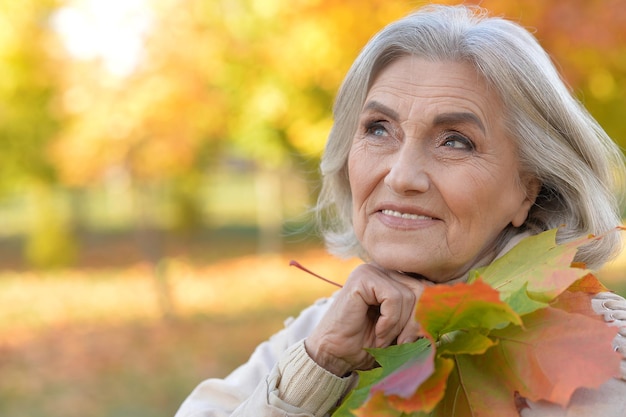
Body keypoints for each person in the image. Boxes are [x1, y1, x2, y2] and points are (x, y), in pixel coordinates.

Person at [175, 4, 626, 417]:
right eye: (378, 129)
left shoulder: (598, 351)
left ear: (530, 188)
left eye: (455, 141)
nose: (401, 175)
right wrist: (317, 369)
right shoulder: (327, 329)